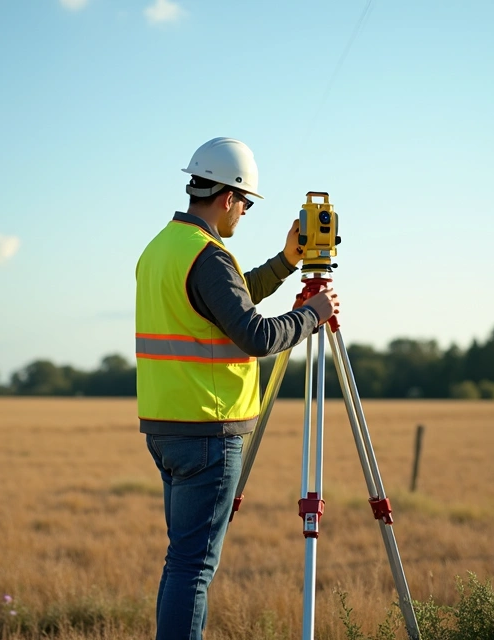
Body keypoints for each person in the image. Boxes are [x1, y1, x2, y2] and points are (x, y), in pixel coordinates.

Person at [135, 137, 338, 640]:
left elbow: (226, 299)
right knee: (194, 568)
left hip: (167, 427)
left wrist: (286, 262)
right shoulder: (208, 255)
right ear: (227, 197)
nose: (244, 213)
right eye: (246, 204)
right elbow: (256, 334)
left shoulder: (161, 248)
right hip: (208, 429)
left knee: (181, 562)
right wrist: (311, 315)